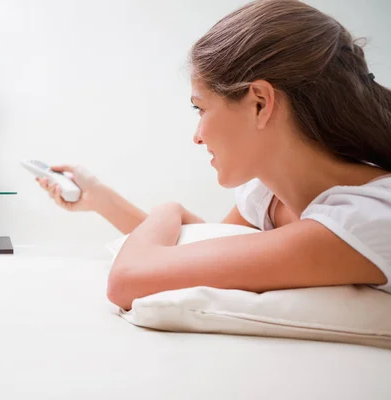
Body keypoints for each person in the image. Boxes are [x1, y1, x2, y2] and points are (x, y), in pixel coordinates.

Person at [35, 0, 391, 310]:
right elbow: (199, 256)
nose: (197, 136)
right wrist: (100, 199)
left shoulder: (365, 220)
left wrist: (168, 209)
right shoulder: (268, 195)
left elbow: (129, 279)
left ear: (260, 104)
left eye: (200, 109)